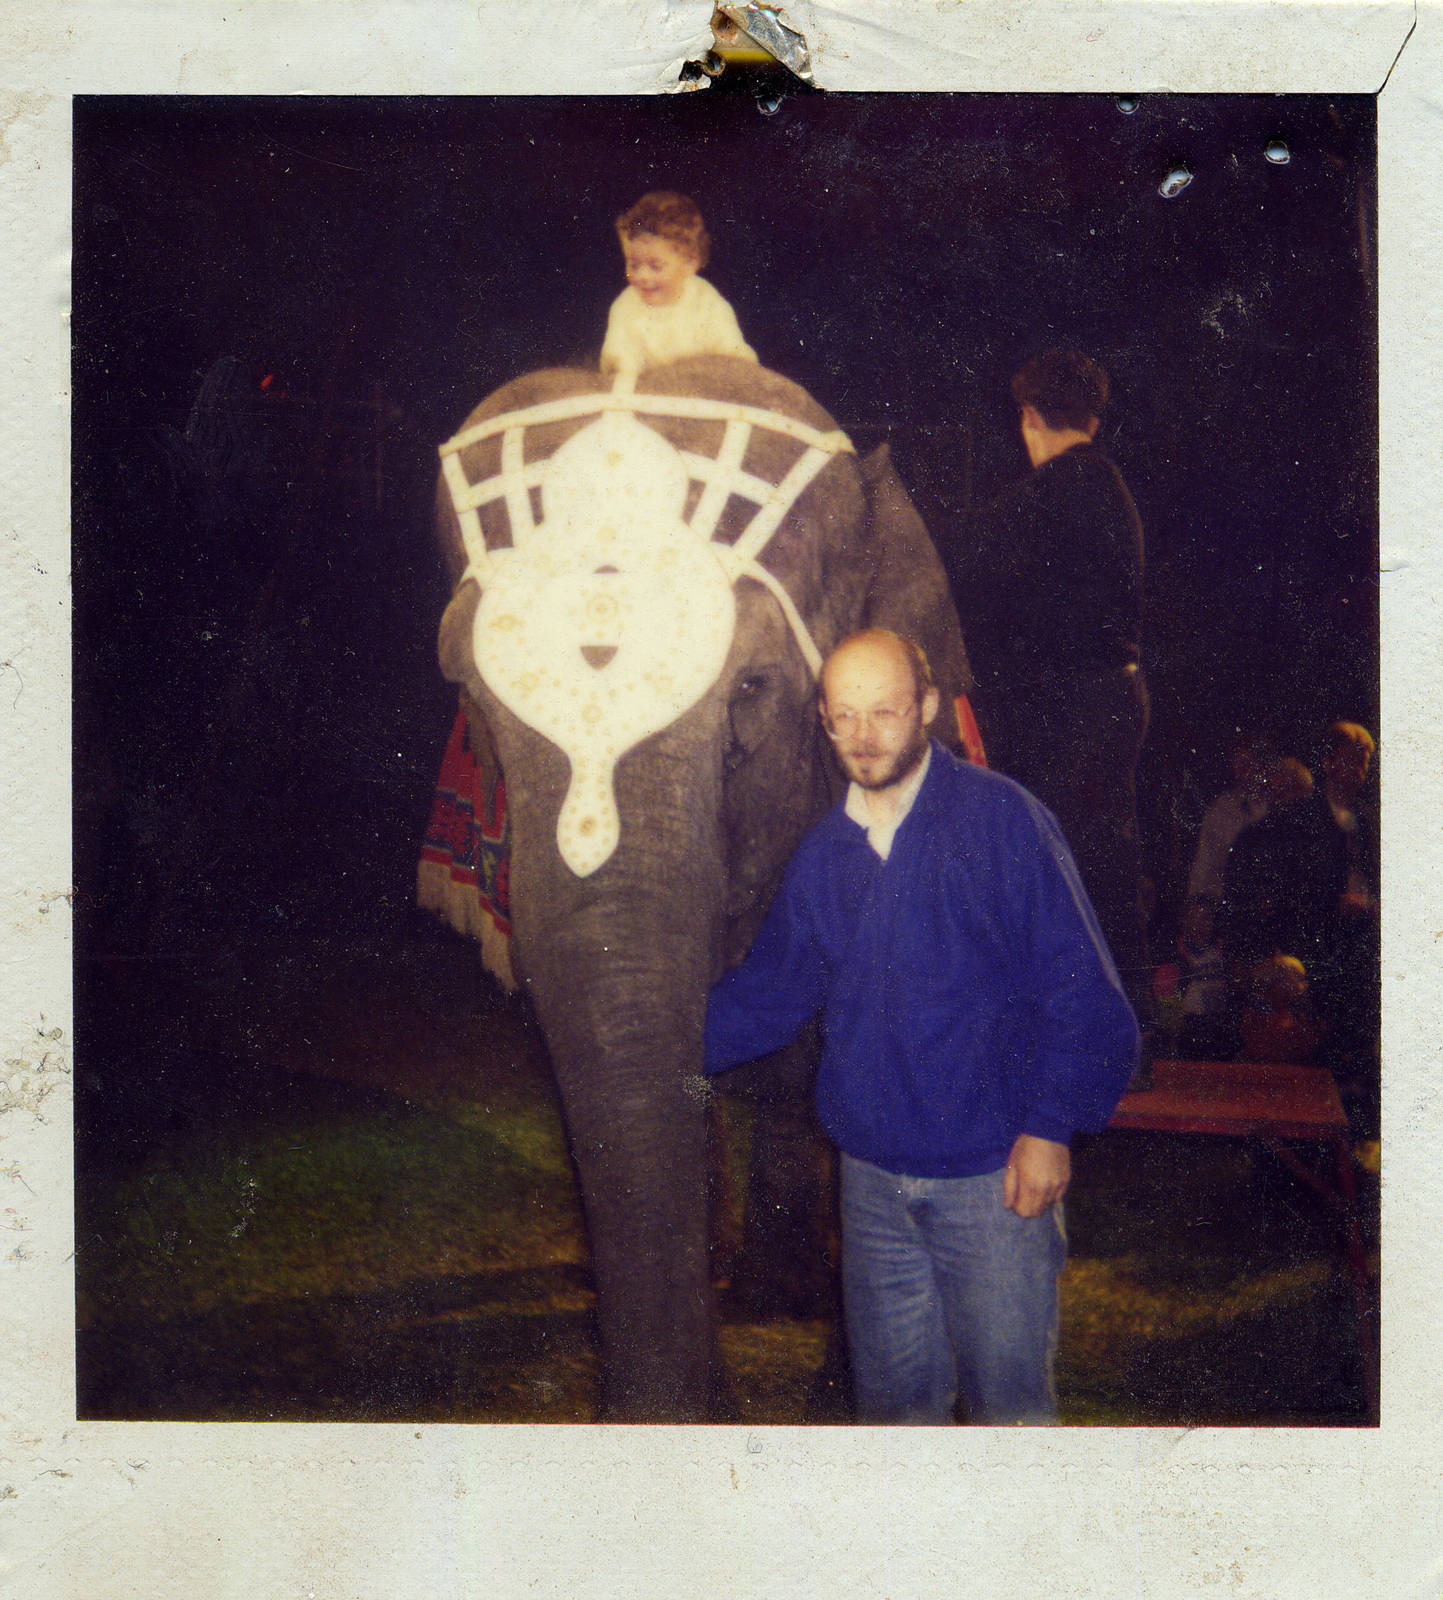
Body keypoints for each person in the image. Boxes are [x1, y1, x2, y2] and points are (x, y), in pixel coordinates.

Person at [703, 629, 1139, 1424]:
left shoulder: (1001, 820)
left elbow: (1083, 995)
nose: (864, 737)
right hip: (871, 1189)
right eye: (844, 717)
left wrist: (1050, 1127)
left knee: (1009, 1415)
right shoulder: (825, 855)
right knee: (895, 1423)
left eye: (885, 712)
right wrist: (660, 1060)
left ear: (928, 708)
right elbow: (765, 996)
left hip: (991, 1183)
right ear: (825, 723)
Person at [945, 351, 1151, 1036]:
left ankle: (1077, 1035)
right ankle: (1129, 1033)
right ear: (1092, 417)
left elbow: (969, 593)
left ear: (1028, 418)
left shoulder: (1038, 500)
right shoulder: (1110, 489)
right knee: (1105, 863)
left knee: (1061, 868)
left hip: (1068, 713)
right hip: (1113, 699)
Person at [599, 192, 757, 380]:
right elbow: (619, 363)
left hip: (702, 394)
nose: (642, 276)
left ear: (690, 262)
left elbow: (733, 355)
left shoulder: (707, 302)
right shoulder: (626, 306)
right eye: (633, 264)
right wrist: (623, 370)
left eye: (655, 266)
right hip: (649, 398)